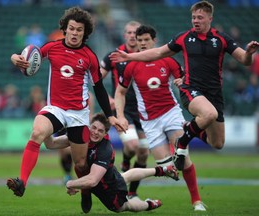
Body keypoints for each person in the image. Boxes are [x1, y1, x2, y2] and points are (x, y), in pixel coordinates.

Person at [110, 0, 259, 171]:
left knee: (217, 143)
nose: (196, 20)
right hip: (191, 89)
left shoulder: (221, 39)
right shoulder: (184, 38)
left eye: (200, 17)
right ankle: (182, 142)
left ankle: (188, 130)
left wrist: (248, 53)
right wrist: (130, 57)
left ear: (210, 18)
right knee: (209, 113)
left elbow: (244, 60)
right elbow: (158, 52)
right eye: (193, 17)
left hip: (214, 93)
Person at [6, 6, 125, 201]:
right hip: (55, 108)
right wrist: (14, 58)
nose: (75, 33)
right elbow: (30, 56)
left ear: (84, 32)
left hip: (78, 113)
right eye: (72, 28)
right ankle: (22, 182)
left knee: (79, 163)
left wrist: (111, 116)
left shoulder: (89, 57)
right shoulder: (52, 47)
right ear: (65, 29)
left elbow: (99, 88)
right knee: (37, 133)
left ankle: (85, 191)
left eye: (79, 29)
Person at [114, 24, 206, 211]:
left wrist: (182, 82)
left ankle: (196, 201)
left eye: (146, 40)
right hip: (149, 122)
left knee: (183, 156)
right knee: (168, 168)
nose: (143, 44)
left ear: (154, 41)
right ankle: (173, 161)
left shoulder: (168, 60)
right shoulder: (131, 66)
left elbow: (186, 80)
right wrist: (120, 115)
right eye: (140, 41)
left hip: (171, 113)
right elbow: (120, 92)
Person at [44, 112, 179, 213]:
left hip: (109, 188)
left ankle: (148, 204)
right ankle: (161, 170)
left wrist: (70, 183)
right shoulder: (82, 136)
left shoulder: (105, 150)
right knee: (124, 176)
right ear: (89, 126)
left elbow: (92, 181)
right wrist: (47, 127)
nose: (95, 132)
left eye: (100, 131)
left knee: (126, 206)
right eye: (94, 128)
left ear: (105, 134)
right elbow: (51, 143)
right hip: (101, 177)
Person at [100, 20, 149, 199]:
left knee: (143, 154)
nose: (131, 35)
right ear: (124, 35)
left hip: (145, 111)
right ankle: (127, 161)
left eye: (134, 33)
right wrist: (109, 98)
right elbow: (95, 80)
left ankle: (133, 193)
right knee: (133, 145)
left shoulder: (148, 55)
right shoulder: (114, 55)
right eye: (128, 32)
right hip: (123, 111)